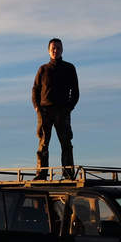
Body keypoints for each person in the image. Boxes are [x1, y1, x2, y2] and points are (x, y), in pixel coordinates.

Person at [31, 37, 79, 179]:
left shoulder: (69, 68)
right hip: (44, 110)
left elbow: (75, 91)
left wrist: (69, 107)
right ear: (48, 51)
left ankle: (68, 174)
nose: (55, 51)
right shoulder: (43, 69)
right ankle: (41, 174)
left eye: (58, 48)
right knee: (43, 143)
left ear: (62, 50)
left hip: (62, 111)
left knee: (66, 143)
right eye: (53, 48)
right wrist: (36, 107)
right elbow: (35, 89)